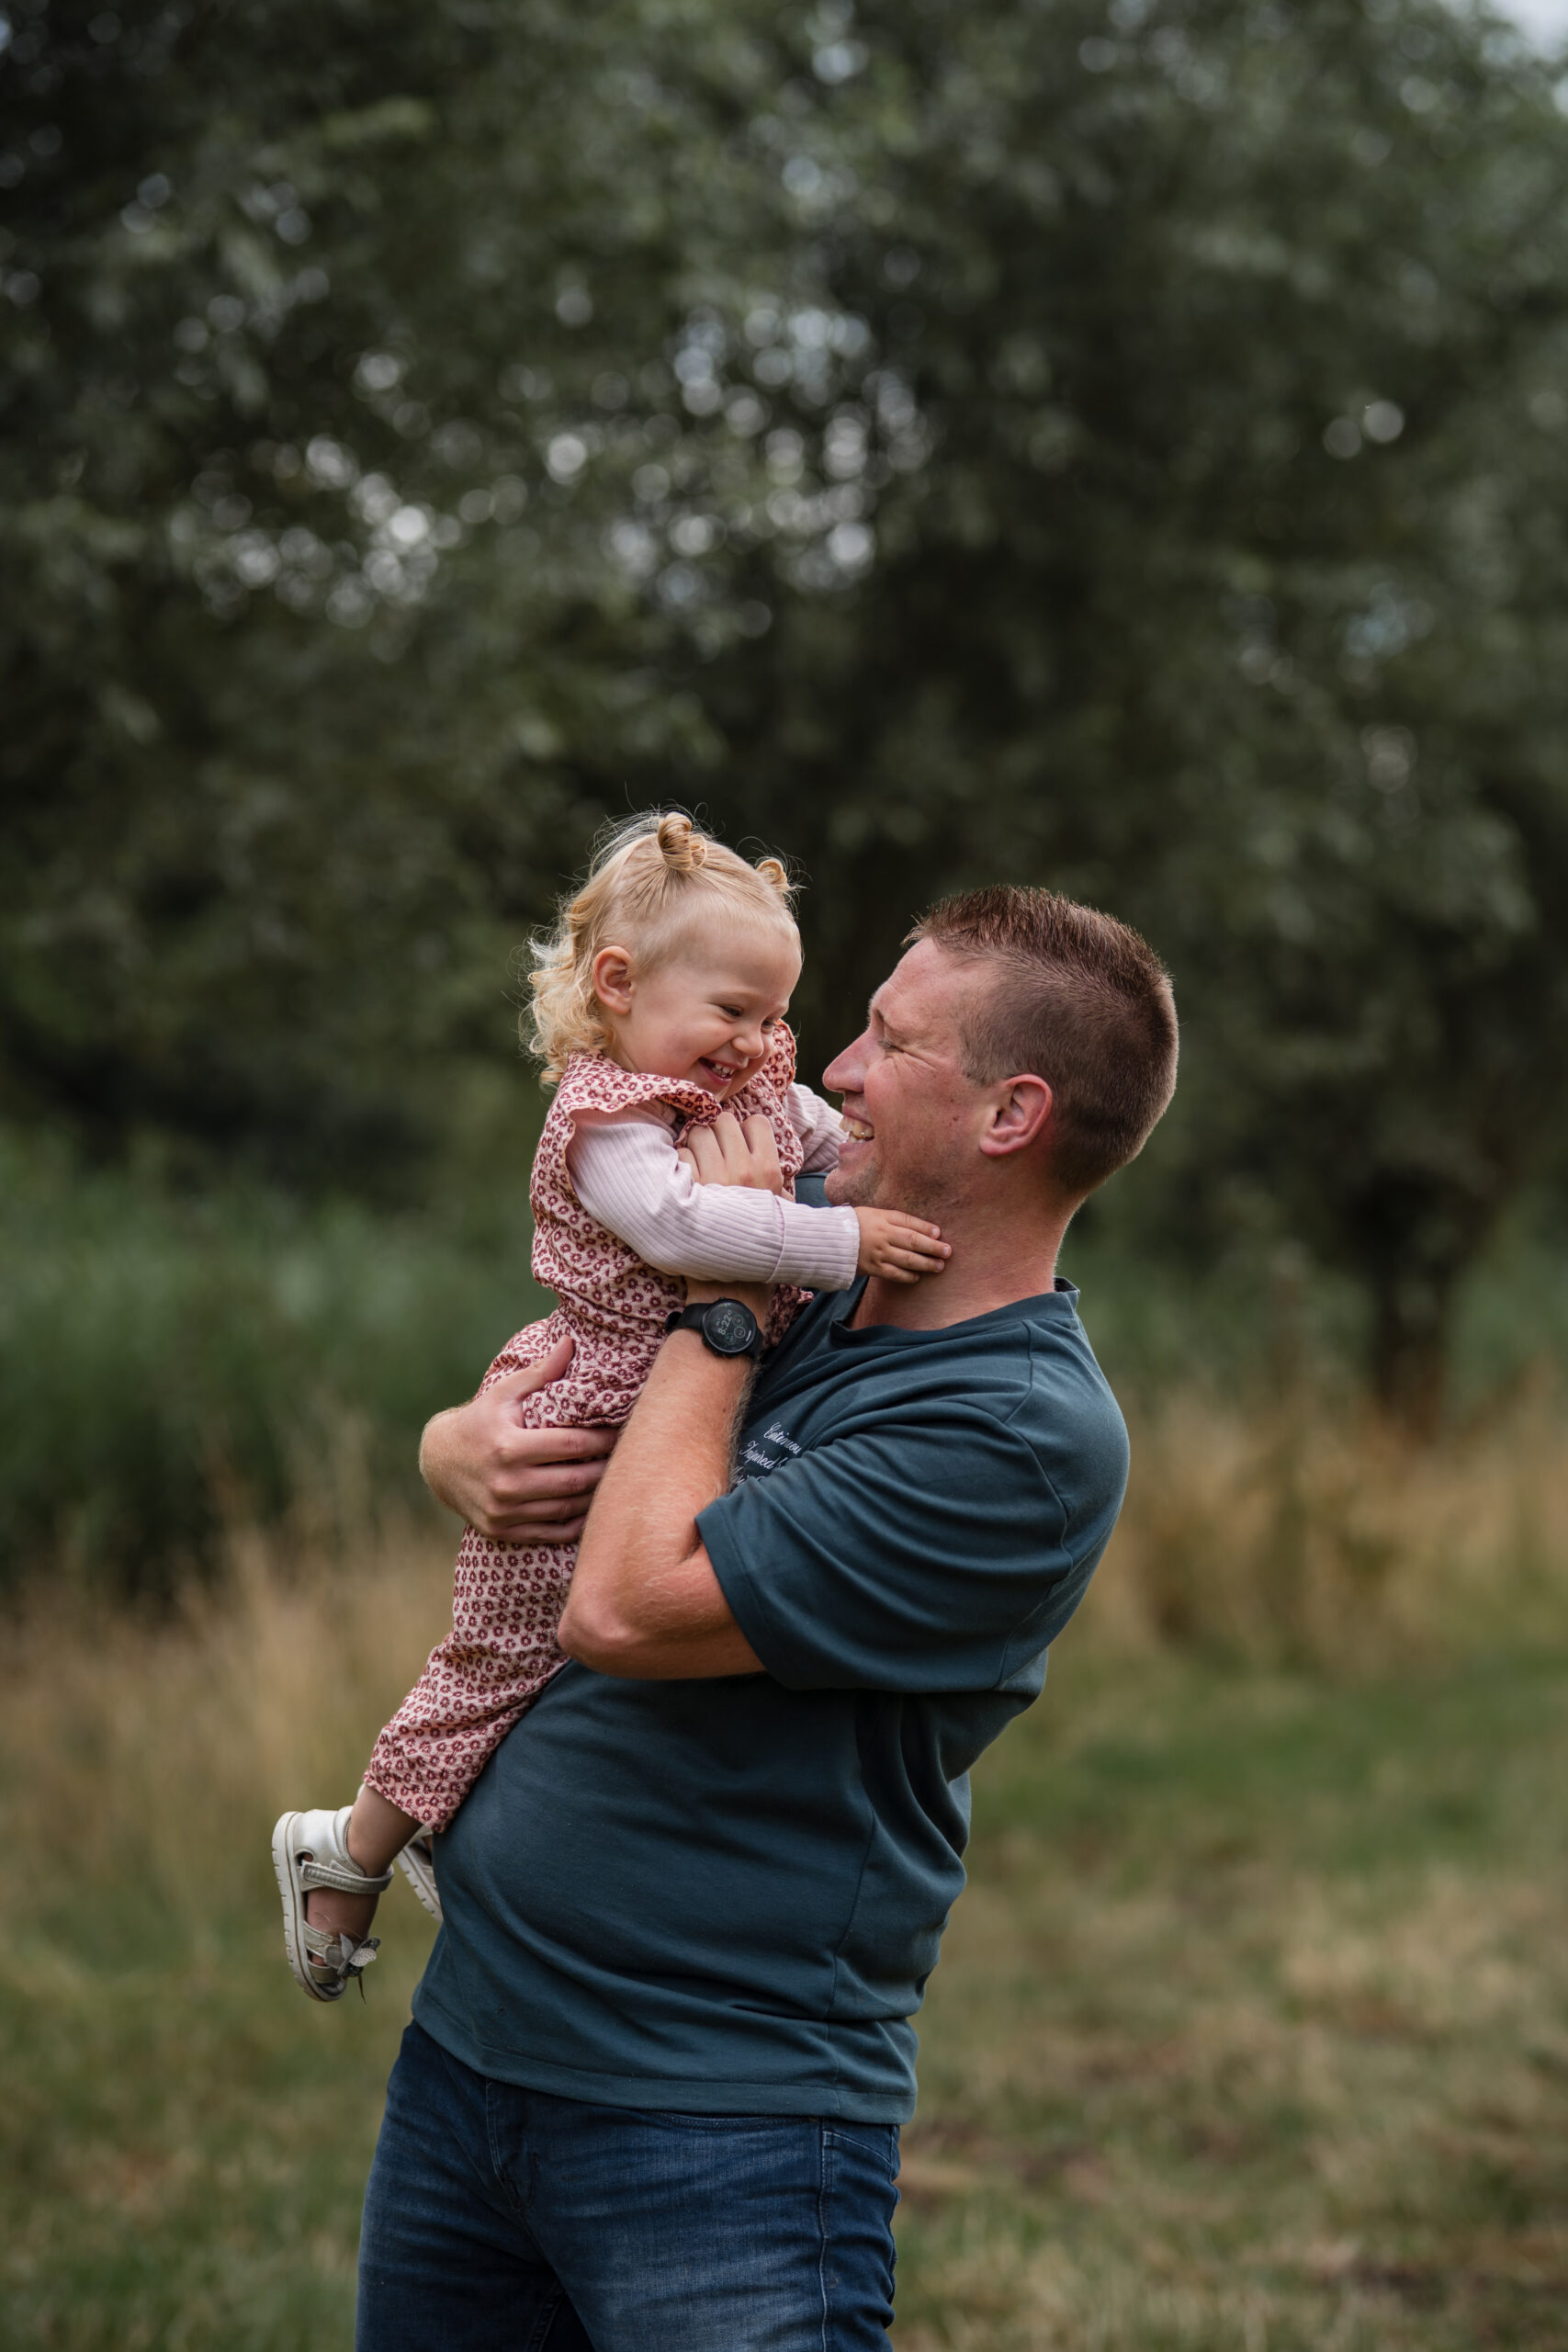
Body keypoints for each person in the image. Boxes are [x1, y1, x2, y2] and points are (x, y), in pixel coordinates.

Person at [352, 881, 1179, 2350]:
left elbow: (625, 1608)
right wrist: (452, 1448)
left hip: (719, 2128)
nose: (832, 1067)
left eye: (891, 1042)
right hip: (470, 2057)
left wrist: (722, 1302)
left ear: (1012, 1115)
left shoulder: (1015, 1431)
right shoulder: (802, 1251)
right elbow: (573, 1398)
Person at [272, 811, 948, 2003]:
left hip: (666, 1412)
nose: (760, 1042)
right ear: (620, 985)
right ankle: (347, 1847)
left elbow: (829, 1139)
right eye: (733, 1010)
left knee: (563, 1662)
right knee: (500, 1653)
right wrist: (844, 1241)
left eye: (776, 1015)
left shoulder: (746, 1082)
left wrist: (882, 1171)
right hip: (589, 1415)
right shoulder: (609, 1124)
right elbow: (685, 1230)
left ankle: (472, 1830)